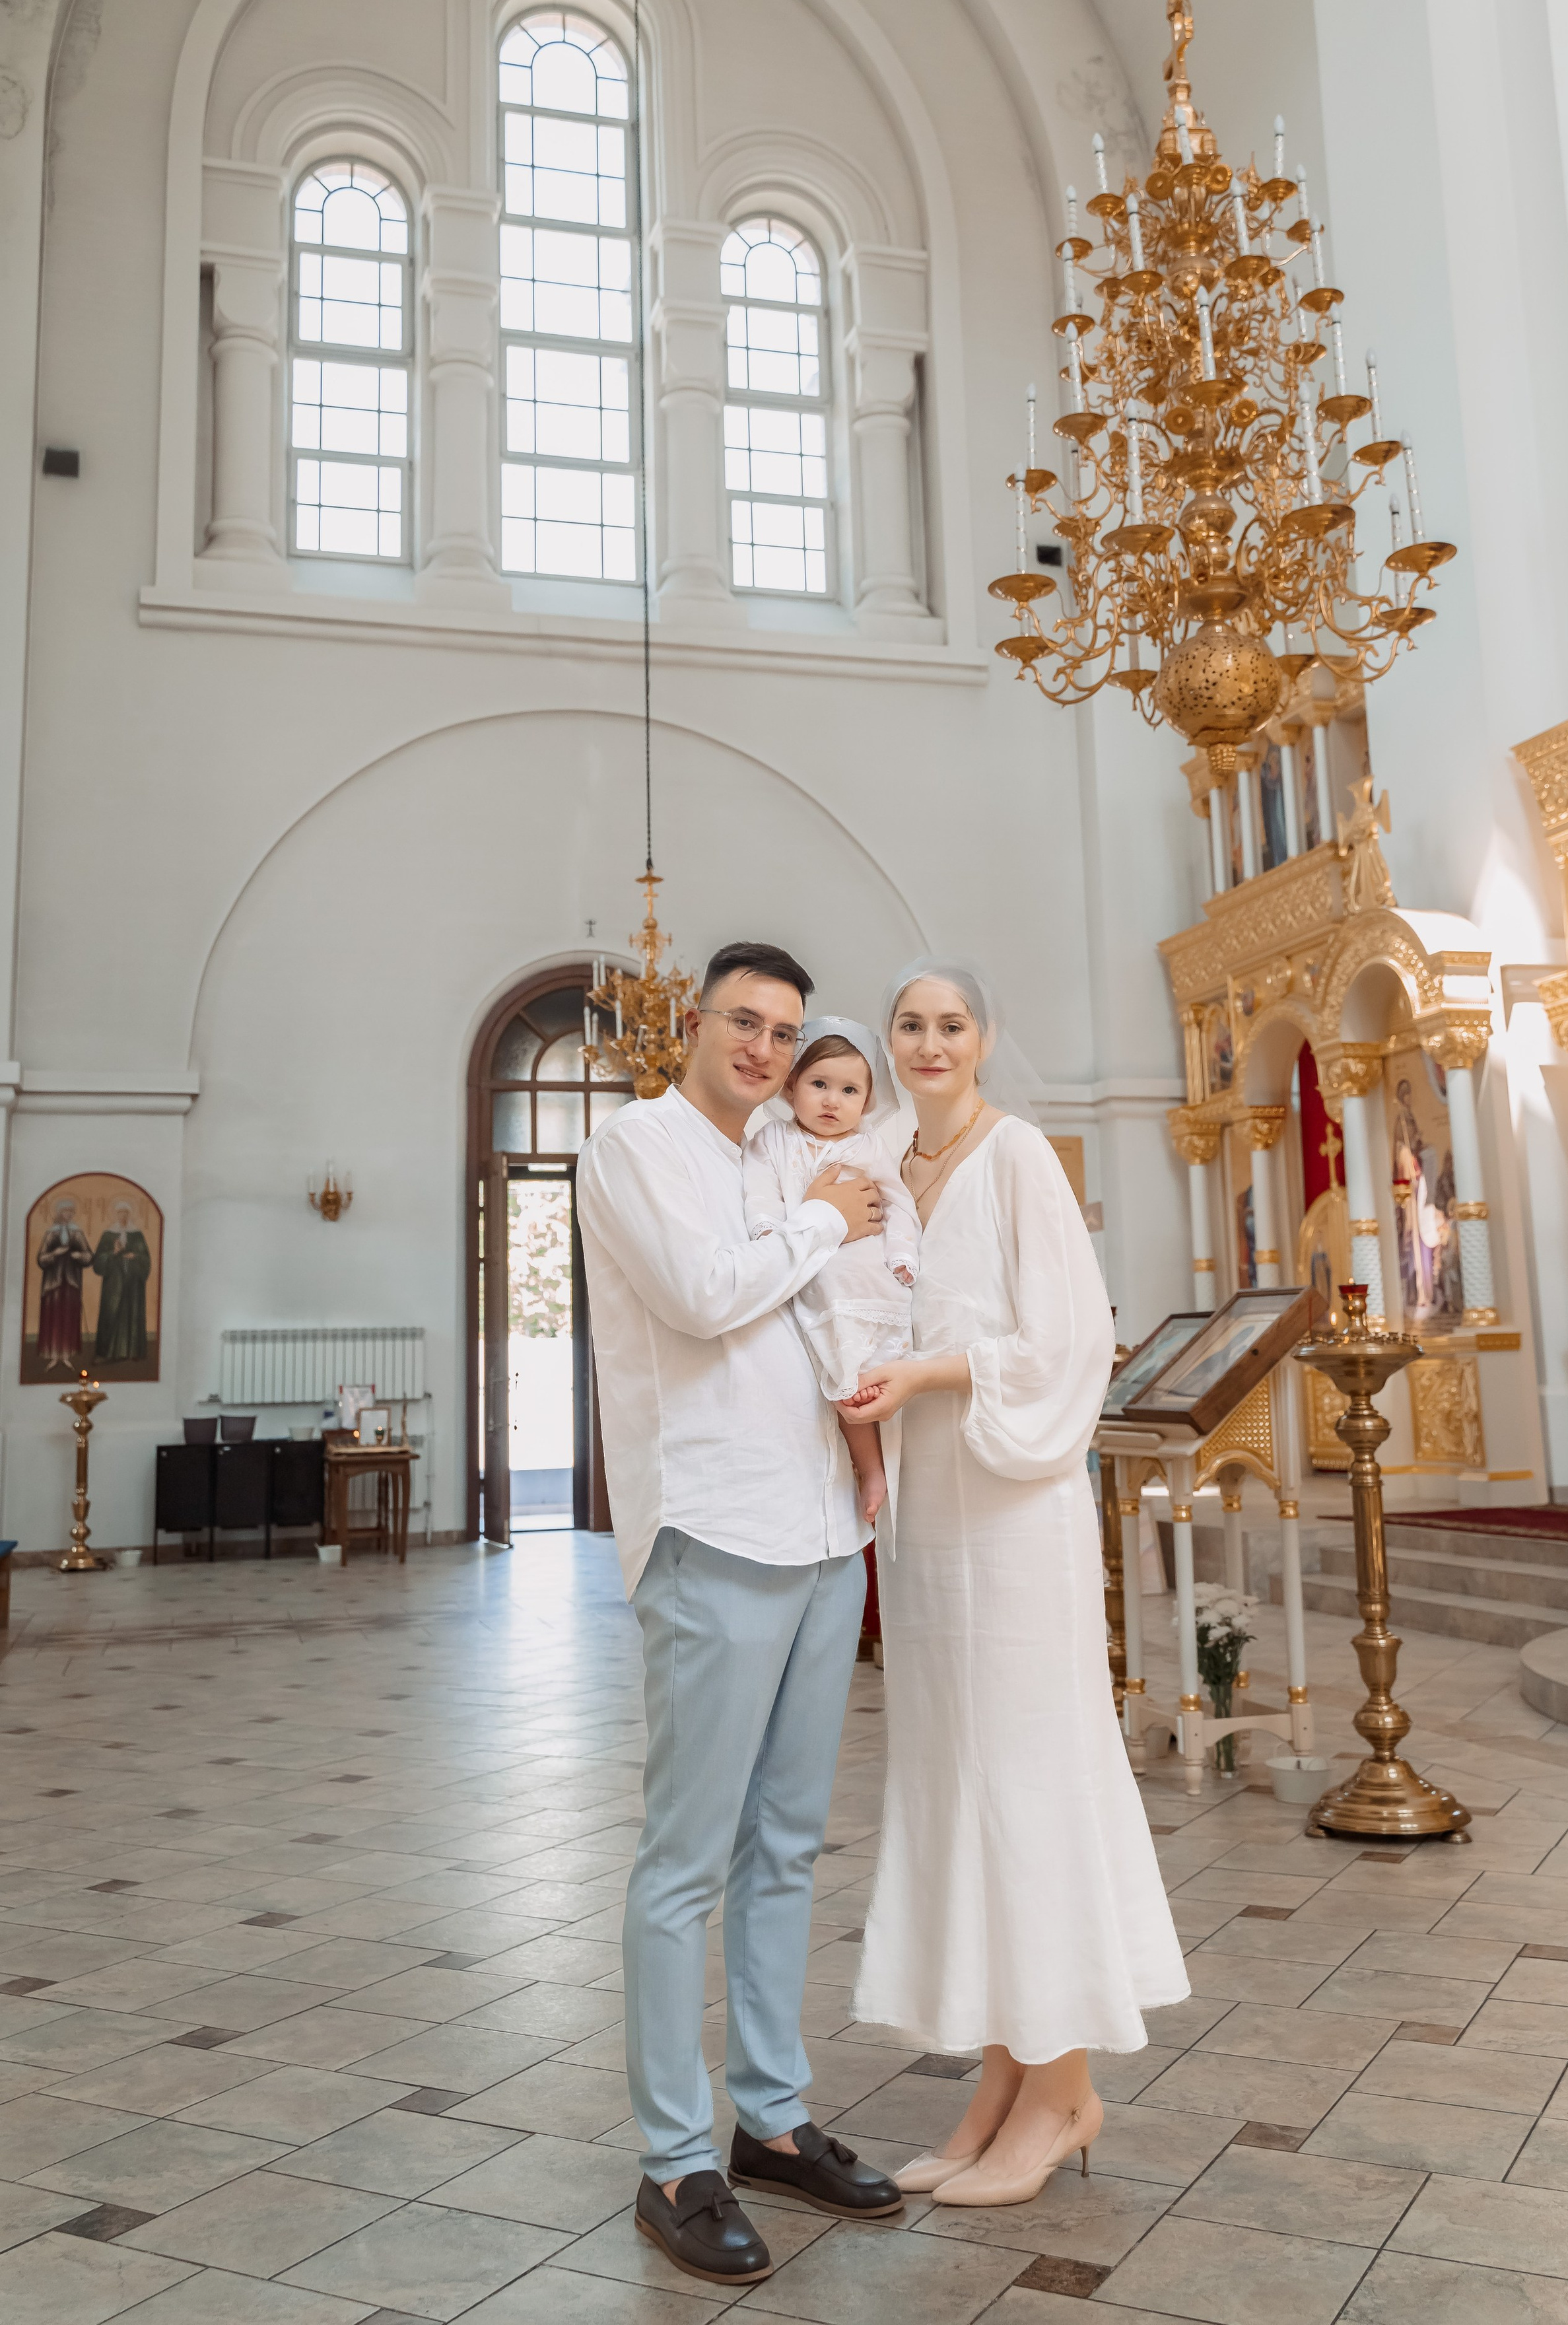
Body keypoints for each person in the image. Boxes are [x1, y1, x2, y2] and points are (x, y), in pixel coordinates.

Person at [575, 942, 904, 2290]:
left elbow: (836, 1285)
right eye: (743, 1022)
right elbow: (710, 1298)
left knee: (785, 1844)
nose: (765, 1047)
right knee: (687, 1856)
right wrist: (826, 1218)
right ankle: (672, 2157)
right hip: (714, 1527)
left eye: (782, 1027)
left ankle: (768, 2117)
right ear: (694, 1025)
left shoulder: (782, 1151)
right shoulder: (631, 1147)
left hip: (827, 1529)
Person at [840, 959, 1188, 2207]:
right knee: (956, 1777)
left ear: (985, 1039)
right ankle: (998, 2076)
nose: (929, 1044)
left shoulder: (1020, 1155)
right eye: (909, 1025)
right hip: (928, 1520)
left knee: (1030, 1777)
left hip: (1013, 1503)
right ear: (887, 1042)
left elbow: (1071, 1336)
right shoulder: (884, 1160)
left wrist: (932, 1375)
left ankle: (1062, 2091)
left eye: (951, 1025)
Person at [743, 1017, 920, 1527]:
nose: (831, 1101)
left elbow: (899, 1205)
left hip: (868, 1278)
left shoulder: (867, 1149)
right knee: (840, 1386)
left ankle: (879, 1466)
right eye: (819, 1084)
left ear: (866, 1102)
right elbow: (758, 1192)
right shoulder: (770, 1140)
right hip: (812, 1275)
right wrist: (766, 1228)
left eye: (848, 1090)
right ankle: (870, 1469)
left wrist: (901, 1254)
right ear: (792, 1083)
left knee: (866, 1383)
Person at [36, 1198, 93, 1371]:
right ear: (60, 1213)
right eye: (65, 1212)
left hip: (72, 1282)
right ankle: (53, 1355)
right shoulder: (50, 1233)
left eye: (71, 1212)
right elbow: (41, 1258)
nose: (68, 1215)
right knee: (53, 1317)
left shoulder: (77, 1233)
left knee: (69, 1316)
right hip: (53, 1283)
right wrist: (54, 1253)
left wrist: (80, 1257)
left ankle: (67, 1354)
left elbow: (89, 1256)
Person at [92, 1202, 151, 1365]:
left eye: (126, 1213)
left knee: (132, 1314)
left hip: (133, 1284)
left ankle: (132, 1352)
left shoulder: (137, 1235)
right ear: (116, 1215)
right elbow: (97, 1261)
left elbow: (146, 1259)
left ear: (129, 1215)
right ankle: (107, 1354)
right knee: (111, 1314)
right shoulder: (108, 1235)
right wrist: (114, 1253)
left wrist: (136, 1257)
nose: (123, 1216)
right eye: (120, 1213)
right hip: (113, 1283)